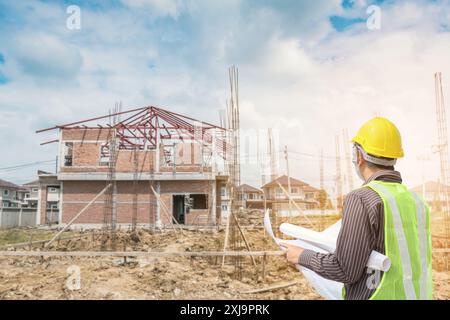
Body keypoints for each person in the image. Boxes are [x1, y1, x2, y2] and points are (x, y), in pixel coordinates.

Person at [283, 117, 432, 300]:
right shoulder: (418, 202)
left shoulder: (361, 198)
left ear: (358, 156)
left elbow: (345, 270)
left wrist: (301, 255)